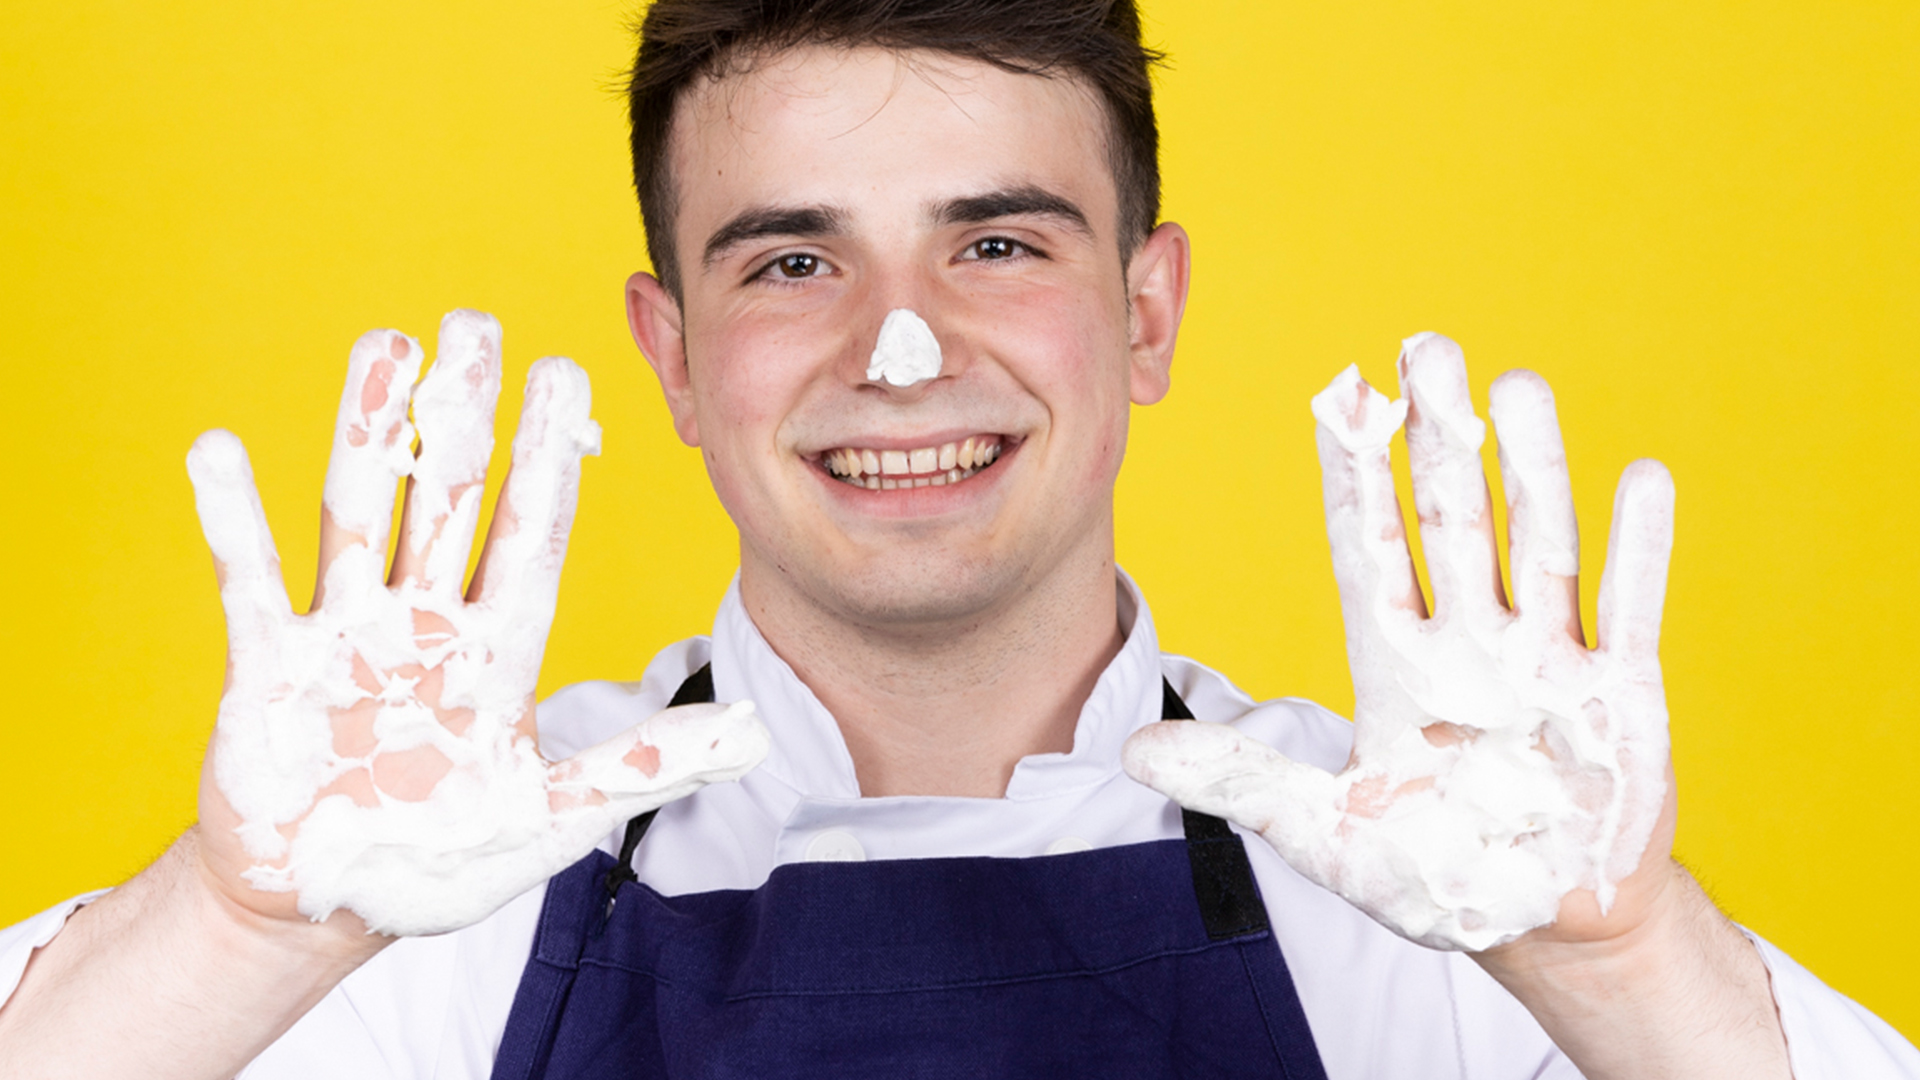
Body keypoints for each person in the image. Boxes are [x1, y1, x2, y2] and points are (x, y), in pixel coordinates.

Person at [0, 1, 1915, 1077]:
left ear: (1147, 311)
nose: (899, 348)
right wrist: (238, 931)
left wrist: (1623, 961)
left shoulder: (1438, 889)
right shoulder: (427, 879)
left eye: (996, 242)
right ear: (670, 353)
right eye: (791, 257)